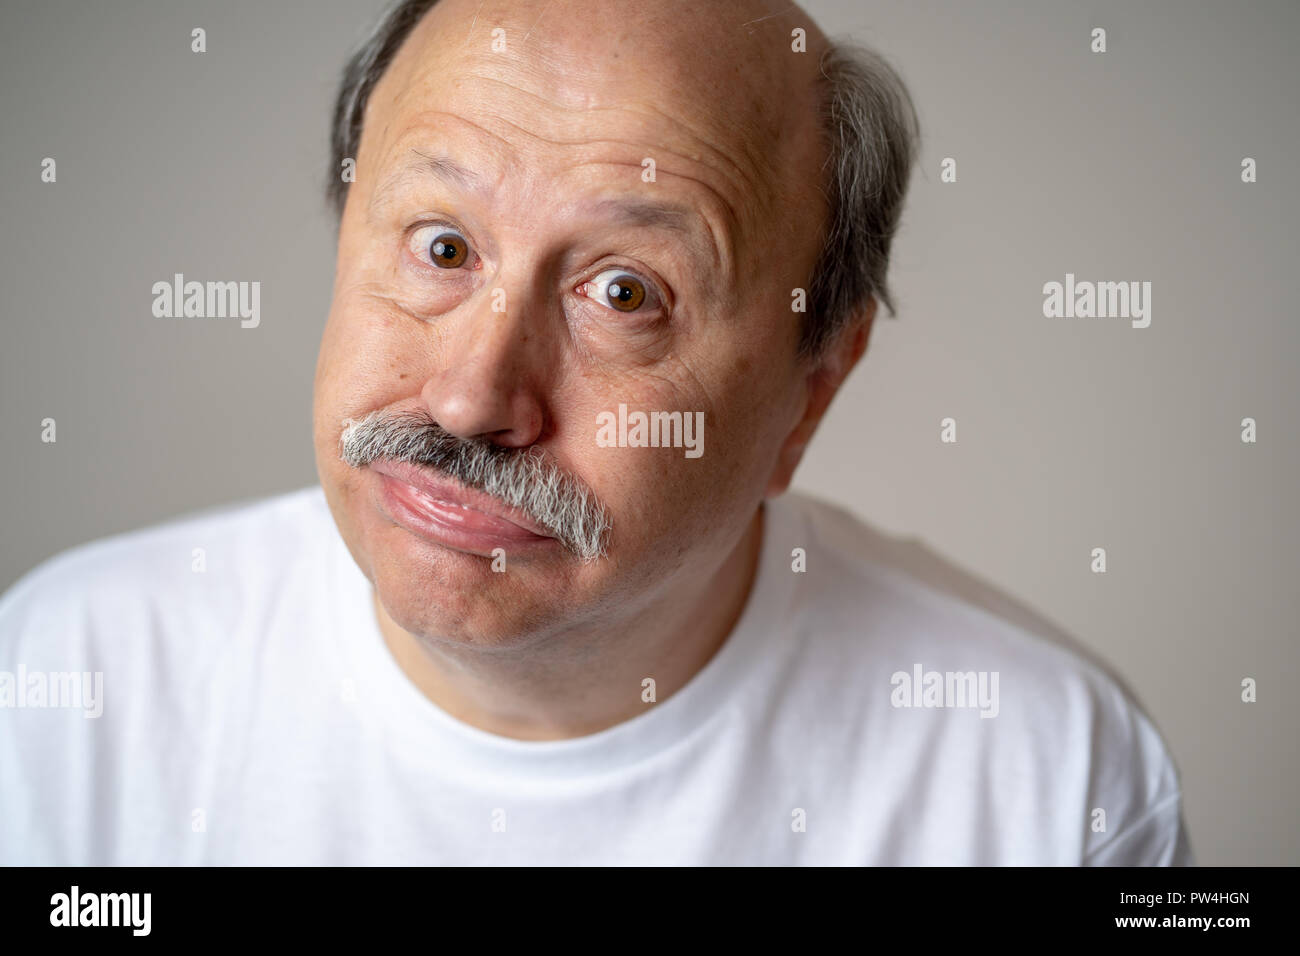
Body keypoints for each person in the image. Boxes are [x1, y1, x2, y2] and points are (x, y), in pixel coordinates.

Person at [0, 0, 1192, 865]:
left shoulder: (1049, 782)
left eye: (625, 292)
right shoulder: (69, 684)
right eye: (441, 246)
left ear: (809, 394)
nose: (470, 399)